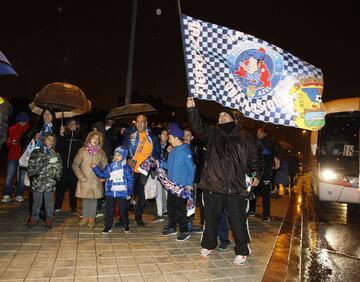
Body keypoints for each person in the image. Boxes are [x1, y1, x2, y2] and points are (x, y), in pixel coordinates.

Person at [187, 97, 261, 265]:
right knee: (211, 219)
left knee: (238, 221)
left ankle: (243, 249)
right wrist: (192, 110)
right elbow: (198, 128)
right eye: (219, 116)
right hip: (214, 184)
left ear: (234, 119)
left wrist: (256, 174)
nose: (221, 118)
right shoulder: (213, 133)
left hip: (236, 188)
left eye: (225, 116)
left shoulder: (245, 137)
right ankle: (208, 245)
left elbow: (255, 159)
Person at [21, 107, 59, 222]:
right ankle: (33, 214)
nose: (47, 116)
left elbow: (61, 148)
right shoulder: (37, 127)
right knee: (35, 191)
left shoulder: (57, 129)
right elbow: (22, 139)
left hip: (49, 164)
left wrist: (61, 135)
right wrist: (33, 137)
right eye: (45, 114)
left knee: (47, 192)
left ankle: (46, 214)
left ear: (53, 116)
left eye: (49, 114)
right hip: (36, 162)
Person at [123, 114, 161, 226]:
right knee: (127, 195)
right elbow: (122, 149)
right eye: (137, 121)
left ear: (146, 123)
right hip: (131, 169)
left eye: (142, 121)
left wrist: (154, 161)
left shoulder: (152, 137)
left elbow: (157, 152)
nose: (139, 124)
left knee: (143, 196)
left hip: (145, 171)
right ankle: (123, 218)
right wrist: (127, 159)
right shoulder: (130, 134)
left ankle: (138, 217)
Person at [161, 123, 195, 242]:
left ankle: (184, 230)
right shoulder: (173, 151)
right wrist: (158, 164)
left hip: (181, 187)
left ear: (175, 137)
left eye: (170, 137)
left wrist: (190, 183)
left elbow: (192, 168)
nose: (169, 140)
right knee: (171, 207)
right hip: (172, 186)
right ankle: (172, 227)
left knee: (180, 209)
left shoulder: (186, 151)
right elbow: (168, 166)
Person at [92, 146, 134, 234]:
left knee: (122, 210)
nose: (116, 156)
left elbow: (130, 180)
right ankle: (108, 226)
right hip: (110, 193)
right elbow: (103, 175)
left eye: (119, 155)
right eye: (115, 154)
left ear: (124, 156)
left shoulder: (126, 168)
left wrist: (129, 193)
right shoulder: (109, 166)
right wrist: (95, 168)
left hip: (122, 193)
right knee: (109, 210)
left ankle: (125, 224)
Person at [26, 133, 63, 229]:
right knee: (36, 202)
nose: (51, 141)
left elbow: (59, 167)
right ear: (44, 140)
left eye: (52, 140)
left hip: (50, 183)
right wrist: (33, 176)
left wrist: (57, 178)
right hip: (37, 182)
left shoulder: (56, 154)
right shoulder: (36, 152)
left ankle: (49, 219)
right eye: (49, 139)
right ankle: (34, 218)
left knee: (49, 203)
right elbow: (30, 165)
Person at [72, 131, 108, 227]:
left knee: (93, 200)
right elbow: (75, 165)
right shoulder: (82, 151)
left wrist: (103, 177)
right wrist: (81, 177)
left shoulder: (101, 152)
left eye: (98, 139)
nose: (96, 140)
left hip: (96, 180)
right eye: (94, 138)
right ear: (89, 139)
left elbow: (106, 166)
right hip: (85, 179)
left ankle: (91, 219)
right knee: (85, 200)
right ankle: (85, 218)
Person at [249, 127, 280, 221]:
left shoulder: (269, 143)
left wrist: (276, 158)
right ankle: (252, 210)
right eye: (257, 132)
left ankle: (266, 214)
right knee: (252, 189)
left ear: (265, 134)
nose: (258, 134)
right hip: (254, 170)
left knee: (266, 193)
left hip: (265, 170)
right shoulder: (254, 142)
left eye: (260, 132)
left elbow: (268, 153)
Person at [54, 119, 83, 213]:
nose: (72, 125)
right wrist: (61, 135)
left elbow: (82, 152)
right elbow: (58, 148)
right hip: (63, 167)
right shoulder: (64, 136)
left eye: (74, 123)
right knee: (60, 187)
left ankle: (73, 207)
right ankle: (57, 206)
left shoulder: (80, 137)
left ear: (77, 125)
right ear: (67, 126)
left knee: (73, 188)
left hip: (74, 168)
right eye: (70, 124)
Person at [2, 112, 30, 203]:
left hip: (24, 156)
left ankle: (19, 194)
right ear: (18, 120)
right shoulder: (12, 129)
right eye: (21, 121)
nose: (22, 123)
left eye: (24, 121)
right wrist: (11, 142)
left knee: (22, 177)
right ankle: (7, 194)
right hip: (13, 155)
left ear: (27, 121)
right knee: (10, 175)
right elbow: (7, 141)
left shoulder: (30, 129)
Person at [153, 128, 170, 222]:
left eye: (167, 134)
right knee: (158, 193)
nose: (165, 136)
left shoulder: (171, 146)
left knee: (168, 193)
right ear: (159, 136)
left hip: (167, 172)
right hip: (158, 172)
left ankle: (168, 210)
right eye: (163, 134)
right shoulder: (156, 146)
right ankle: (160, 213)